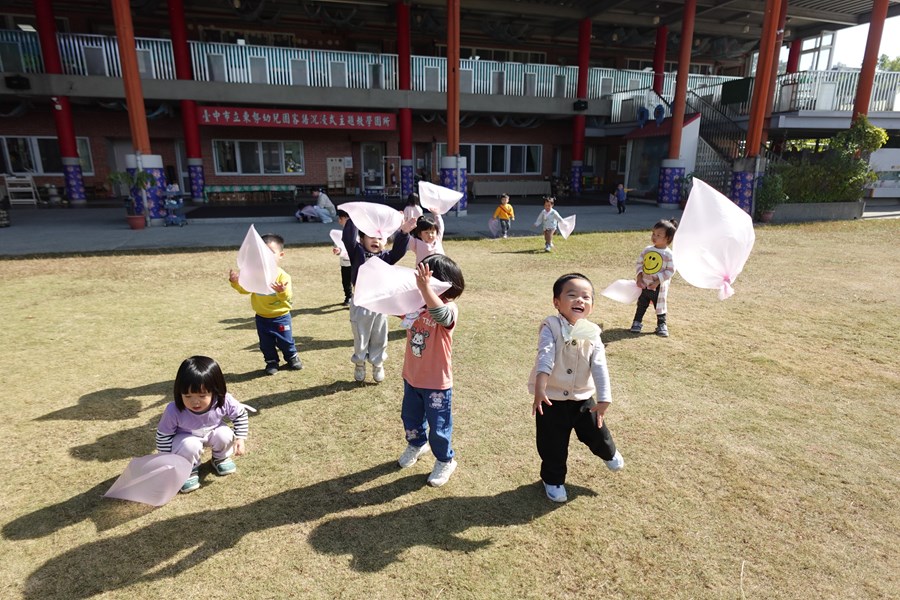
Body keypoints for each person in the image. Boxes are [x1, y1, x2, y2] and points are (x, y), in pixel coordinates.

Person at [529, 273, 624, 503]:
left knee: (597, 431)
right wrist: (540, 388)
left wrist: (604, 398)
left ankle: (609, 452)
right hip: (551, 399)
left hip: (582, 398)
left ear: (591, 305)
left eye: (586, 297)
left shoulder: (593, 332)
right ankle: (552, 480)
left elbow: (600, 366)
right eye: (572, 295)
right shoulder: (550, 325)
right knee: (552, 443)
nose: (580, 300)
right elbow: (545, 356)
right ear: (556, 302)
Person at [397, 254, 465, 487]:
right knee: (410, 417)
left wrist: (426, 289)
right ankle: (416, 444)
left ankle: (446, 460)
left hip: (436, 383)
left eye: (425, 278)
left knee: (439, 425)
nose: (419, 282)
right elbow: (392, 304)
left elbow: (441, 316)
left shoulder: (448, 308)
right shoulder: (414, 307)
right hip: (412, 377)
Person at [155, 356, 250, 494]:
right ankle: (188, 468)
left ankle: (220, 458)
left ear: (215, 390)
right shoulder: (173, 410)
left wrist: (240, 437)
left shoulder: (224, 400)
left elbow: (240, 414)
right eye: (187, 396)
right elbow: (163, 436)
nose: (195, 402)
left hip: (213, 431)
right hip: (185, 438)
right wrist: (168, 460)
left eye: (202, 396)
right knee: (190, 445)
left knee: (225, 434)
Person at [343, 212, 418, 383]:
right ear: (361, 239)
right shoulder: (357, 252)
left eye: (380, 238)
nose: (376, 240)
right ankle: (360, 363)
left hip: (380, 303)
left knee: (379, 335)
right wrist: (355, 219)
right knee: (360, 335)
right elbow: (348, 239)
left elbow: (398, 251)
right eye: (371, 236)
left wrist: (404, 232)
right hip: (361, 302)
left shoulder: (386, 258)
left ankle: (377, 363)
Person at [228, 233, 303, 375]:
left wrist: (281, 291)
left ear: (281, 255)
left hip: (281, 316)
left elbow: (287, 297)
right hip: (262, 317)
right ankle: (271, 362)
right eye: (263, 253)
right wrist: (236, 282)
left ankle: (292, 357)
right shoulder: (254, 274)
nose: (266, 257)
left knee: (285, 340)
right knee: (265, 343)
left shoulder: (283, 276)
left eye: (271, 253)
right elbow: (245, 290)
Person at [630, 219, 677, 337]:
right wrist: (639, 278)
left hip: (658, 288)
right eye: (653, 233)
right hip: (644, 285)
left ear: (668, 238)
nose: (654, 237)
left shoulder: (668, 254)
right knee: (641, 304)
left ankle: (662, 325)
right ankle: (637, 322)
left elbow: (670, 270)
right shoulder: (647, 250)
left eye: (659, 235)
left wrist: (657, 282)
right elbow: (640, 264)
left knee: (660, 306)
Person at [331, 209, 352, 306]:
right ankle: (349, 296)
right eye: (340, 218)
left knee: (358, 281)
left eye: (342, 218)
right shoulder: (339, 234)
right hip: (345, 262)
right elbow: (338, 246)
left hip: (356, 261)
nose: (340, 220)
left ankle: (360, 298)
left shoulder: (357, 232)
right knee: (346, 281)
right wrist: (337, 250)